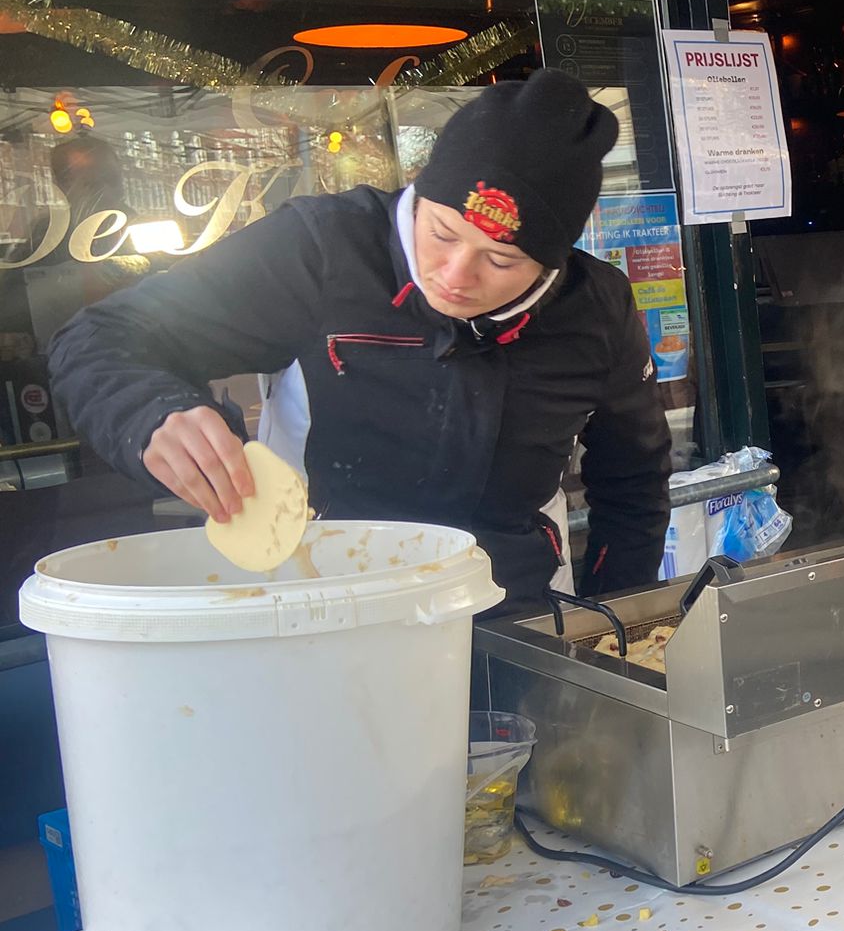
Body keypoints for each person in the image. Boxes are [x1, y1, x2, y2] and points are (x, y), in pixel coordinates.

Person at [51, 69, 672, 616]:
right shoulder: (323, 250)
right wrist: (148, 414)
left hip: (503, 608)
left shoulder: (595, 308)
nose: (455, 277)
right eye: (442, 232)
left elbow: (635, 481)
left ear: (551, 263)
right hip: (320, 603)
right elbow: (101, 338)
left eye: (501, 260)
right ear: (420, 194)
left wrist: (613, 620)